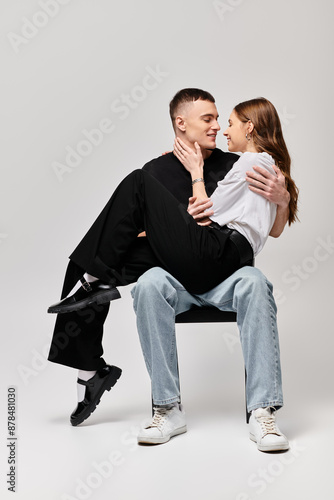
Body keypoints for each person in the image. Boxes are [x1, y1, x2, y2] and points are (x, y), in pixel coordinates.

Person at [46, 89, 298, 452]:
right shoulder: (157, 172)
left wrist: (284, 198)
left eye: (220, 120)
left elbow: (270, 228)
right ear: (181, 124)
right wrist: (167, 230)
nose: (218, 127)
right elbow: (133, 234)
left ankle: (263, 411)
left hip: (227, 272)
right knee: (132, 274)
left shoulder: (238, 162)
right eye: (208, 119)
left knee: (255, 282)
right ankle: (125, 387)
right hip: (174, 275)